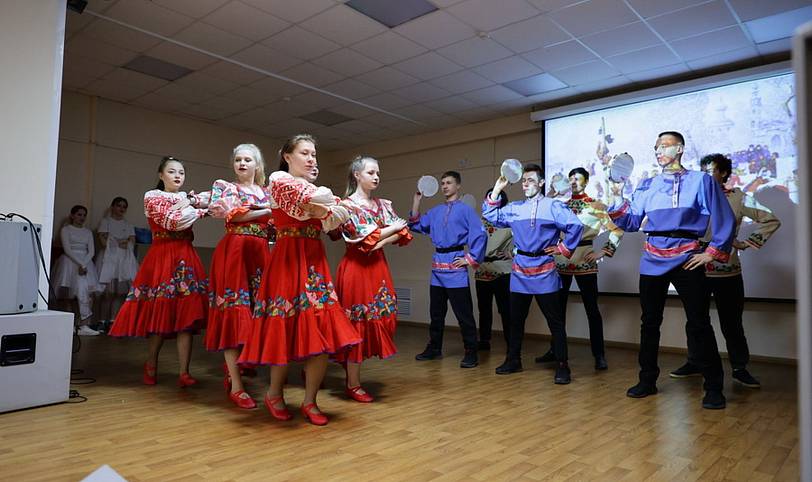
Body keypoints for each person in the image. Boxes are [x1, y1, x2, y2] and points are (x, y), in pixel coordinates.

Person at [602, 131, 735, 409]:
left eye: (665, 146)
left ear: (680, 149)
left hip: (687, 254)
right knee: (649, 323)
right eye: (656, 147)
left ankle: (713, 387)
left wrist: (711, 252)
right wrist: (616, 197)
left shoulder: (701, 180)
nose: (659, 151)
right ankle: (647, 380)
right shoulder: (647, 184)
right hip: (652, 256)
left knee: (699, 323)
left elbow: (724, 217)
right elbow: (629, 222)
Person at [238, 134, 361, 426]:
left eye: (314, 155)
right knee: (284, 330)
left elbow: (331, 217)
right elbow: (320, 207)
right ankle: (274, 393)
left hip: (314, 260)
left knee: (320, 331)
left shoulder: (311, 187)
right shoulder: (280, 180)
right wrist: (330, 206)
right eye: (305, 153)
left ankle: (310, 401)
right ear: (287, 155)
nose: (311, 159)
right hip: (287, 260)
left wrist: (330, 208)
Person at [670, 153, 781, 388]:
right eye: (703, 172)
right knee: (695, 320)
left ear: (723, 174)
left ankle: (739, 367)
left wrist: (747, 242)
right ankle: (695, 362)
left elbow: (770, 219)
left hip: (727, 270)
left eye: (711, 171)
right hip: (694, 268)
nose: (707, 176)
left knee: (731, 322)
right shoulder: (691, 198)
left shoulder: (738, 197)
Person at [109, 156, 210, 388]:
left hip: (186, 257)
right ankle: (151, 363)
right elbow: (171, 221)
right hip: (163, 256)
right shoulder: (152, 196)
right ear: (161, 175)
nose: (177, 176)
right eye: (172, 171)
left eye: (182, 173)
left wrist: (192, 202)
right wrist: (198, 208)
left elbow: (215, 201)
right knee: (160, 314)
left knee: (186, 316)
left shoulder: (188, 198)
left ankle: (184, 371)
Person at [484, 164, 583, 384]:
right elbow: (491, 216)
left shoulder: (553, 206)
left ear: (541, 183)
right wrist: (498, 190)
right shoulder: (515, 207)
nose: (525, 184)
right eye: (523, 180)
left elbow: (575, 226)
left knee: (555, 322)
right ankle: (513, 360)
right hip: (520, 269)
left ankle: (562, 366)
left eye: (530, 180)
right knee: (515, 320)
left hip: (544, 269)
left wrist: (563, 248)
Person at [332, 155, 412, 403]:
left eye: (378, 173)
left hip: (378, 268)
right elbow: (362, 239)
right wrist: (390, 230)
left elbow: (405, 233)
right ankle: (353, 384)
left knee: (381, 317)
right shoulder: (346, 206)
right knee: (355, 323)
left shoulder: (382, 204)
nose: (376, 176)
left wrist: (382, 241)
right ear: (357, 175)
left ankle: (348, 374)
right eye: (371, 172)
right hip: (356, 269)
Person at [535, 167, 623, 370]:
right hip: (562, 261)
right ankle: (555, 350)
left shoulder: (595, 205)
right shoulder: (560, 205)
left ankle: (599, 354)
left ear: (586, 181)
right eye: (571, 179)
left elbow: (617, 231)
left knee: (592, 309)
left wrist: (603, 251)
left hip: (585, 260)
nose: (573, 182)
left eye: (578, 179)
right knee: (557, 310)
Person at [205, 144, 272, 409]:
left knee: (256, 311)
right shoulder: (226, 188)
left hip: (260, 253)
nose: (242, 163)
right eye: (237, 159)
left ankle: (239, 364)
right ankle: (236, 385)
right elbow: (234, 214)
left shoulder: (266, 192)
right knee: (234, 311)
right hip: (234, 251)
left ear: (257, 165)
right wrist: (268, 212)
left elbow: (275, 226)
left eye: (247, 159)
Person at [409, 171, 487, 368]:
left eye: (449, 183)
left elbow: (480, 234)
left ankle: (471, 351)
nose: (445, 186)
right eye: (442, 183)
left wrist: (469, 258)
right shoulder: (435, 211)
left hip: (456, 268)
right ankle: (434, 348)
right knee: (436, 313)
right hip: (437, 268)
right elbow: (416, 225)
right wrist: (416, 201)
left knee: (464, 314)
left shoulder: (466, 210)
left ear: (458, 186)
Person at [53, 205, 102, 336]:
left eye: (84, 215)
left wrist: (84, 265)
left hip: (86, 262)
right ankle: (70, 324)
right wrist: (80, 264)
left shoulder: (88, 232)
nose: (82, 217)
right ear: (72, 215)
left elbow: (91, 251)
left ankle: (84, 324)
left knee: (87, 292)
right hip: (70, 262)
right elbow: (67, 249)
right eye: (79, 214)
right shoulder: (66, 230)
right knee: (68, 296)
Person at [474, 189, 513, 352]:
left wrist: (513, 252)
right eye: (489, 196)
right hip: (483, 269)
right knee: (484, 308)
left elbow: (526, 238)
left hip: (502, 269)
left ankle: (511, 342)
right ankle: (484, 340)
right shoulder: (481, 221)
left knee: (505, 309)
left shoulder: (509, 219)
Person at [95, 197, 138, 332]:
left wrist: (116, 241)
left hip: (123, 261)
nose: (121, 209)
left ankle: (113, 320)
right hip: (109, 260)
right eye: (119, 206)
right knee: (107, 293)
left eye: (124, 207)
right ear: (112, 206)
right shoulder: (105, 222)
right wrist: (119, 242)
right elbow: (103, 241)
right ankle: (102, 321)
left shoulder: (128, 224)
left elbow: (131, 242)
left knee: (119, 294)